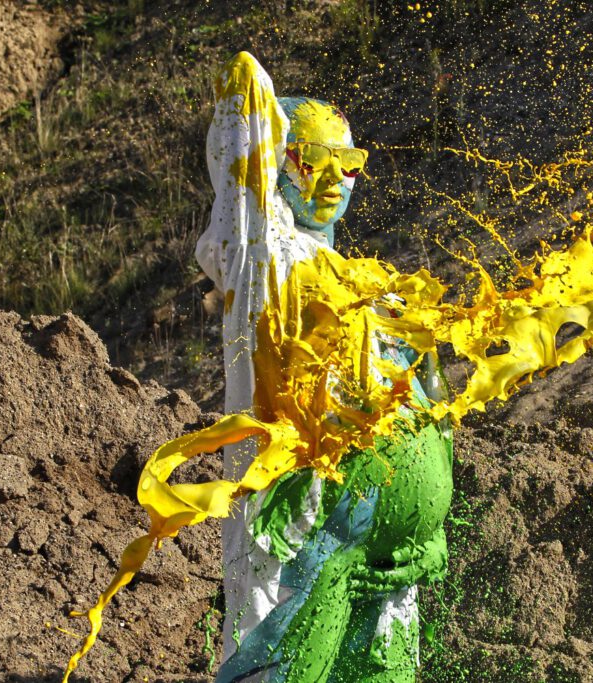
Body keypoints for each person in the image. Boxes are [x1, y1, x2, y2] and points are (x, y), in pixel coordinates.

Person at [195, 51, 453, 683]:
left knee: (379, 670)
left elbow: (430, 400)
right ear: (279, 165)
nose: (332, 177)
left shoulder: (368, 284)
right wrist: (256, 105)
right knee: (286, 662)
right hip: (300, 523)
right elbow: (241, 157)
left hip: (392, 550)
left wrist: (431, 507)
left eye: (349, 162)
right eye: (309, 160)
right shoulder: (264, 260)